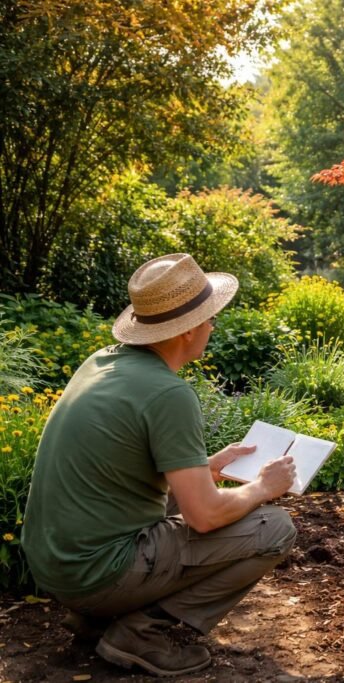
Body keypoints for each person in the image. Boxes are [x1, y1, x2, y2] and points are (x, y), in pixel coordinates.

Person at [21, 253, 298, 677]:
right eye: (209, 319)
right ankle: (141, 632)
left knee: (185, 499)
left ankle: (96, 618)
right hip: (95, 575)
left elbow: (119, 466)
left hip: (54, 564)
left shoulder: (101, 363)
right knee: (276, 527)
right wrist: (262, 486)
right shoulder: (168, 393)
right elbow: (203, 517)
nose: (212, 327)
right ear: (187, 331)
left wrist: (205, 468)